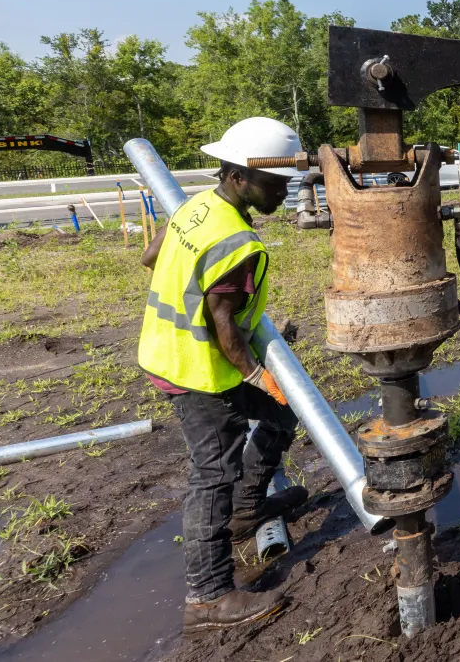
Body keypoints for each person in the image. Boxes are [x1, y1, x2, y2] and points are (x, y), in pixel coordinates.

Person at [138, 117, 309, 633]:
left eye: (286, 182)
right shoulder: (238, 243)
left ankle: (247, 512)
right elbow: (223, 328)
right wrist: (261, 375)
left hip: (168, 350)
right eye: (274, 183)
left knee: (282, 415)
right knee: (213, 475)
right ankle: (208, 597)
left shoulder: (195, 206)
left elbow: (151, 256)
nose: (284, 192)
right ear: (237, 175)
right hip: (197, 372)